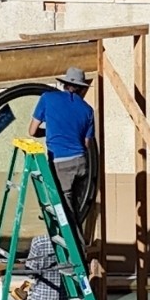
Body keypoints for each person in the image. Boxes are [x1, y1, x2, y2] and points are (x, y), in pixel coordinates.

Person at [30, 66, 96, 221]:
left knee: (66, 218)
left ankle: (77, 246)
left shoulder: (47, 98)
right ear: (81, 89)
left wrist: (52, 131)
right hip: (81, 163)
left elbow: (32, 131)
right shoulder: (88, 110)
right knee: (76, 212)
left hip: (61, 164)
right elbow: (86, 144)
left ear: (64, 84)